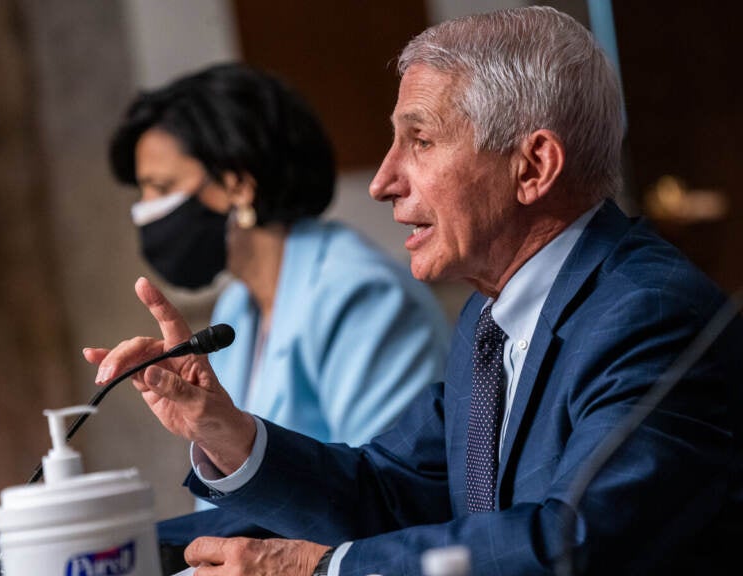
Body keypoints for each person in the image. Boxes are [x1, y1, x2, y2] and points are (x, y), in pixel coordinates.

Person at [85, 6, 743, 576]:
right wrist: (221, 429)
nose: (382, 181)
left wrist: (322, 567)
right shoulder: (494, 318)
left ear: (534, 166)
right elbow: (390, 492)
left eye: (420, 141)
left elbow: (572, 542)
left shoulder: (649, 315)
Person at [106, 62, 452, 516]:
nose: (145, 212)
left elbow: (394, 502)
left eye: (161, 187)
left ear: (237, 184)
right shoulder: (239, 306)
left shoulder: (361, 296)